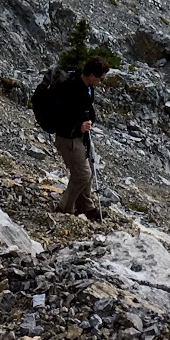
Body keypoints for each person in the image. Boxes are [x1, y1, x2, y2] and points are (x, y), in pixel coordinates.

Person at [46, 57, 109, 220]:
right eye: (100, 78)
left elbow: (87, 111)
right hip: (68, 138)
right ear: (93, 75)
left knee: (88, 168)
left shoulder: (87, 87)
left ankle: (85, 206)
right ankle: (64, 208)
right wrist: (77, 127)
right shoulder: (71, 88)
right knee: (82, 174)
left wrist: (88, 122)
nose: (101, 82)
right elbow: (60, 117)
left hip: (80, 137)